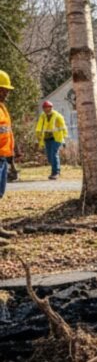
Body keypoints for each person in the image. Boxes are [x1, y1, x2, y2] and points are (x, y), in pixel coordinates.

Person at [0, 70, 18, 245]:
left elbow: (6, 132)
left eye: (6, 90)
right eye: (2, 89)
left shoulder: (2, 108)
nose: (6, 93)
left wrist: (12, 157)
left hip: (3, 157)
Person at [35, 100, 67, 180]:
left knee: (54, 154)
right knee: (49, 157)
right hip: (47, 139)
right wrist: (38, 137)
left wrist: (64, 139)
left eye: (48, 108)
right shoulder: (43, 116)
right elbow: (39, 127)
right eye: (45, 108)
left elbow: (64, 128)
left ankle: (56, 172)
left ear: (51, 108)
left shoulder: (58, 116)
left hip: (56, 139)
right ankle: (54, 171)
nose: (46, 109)